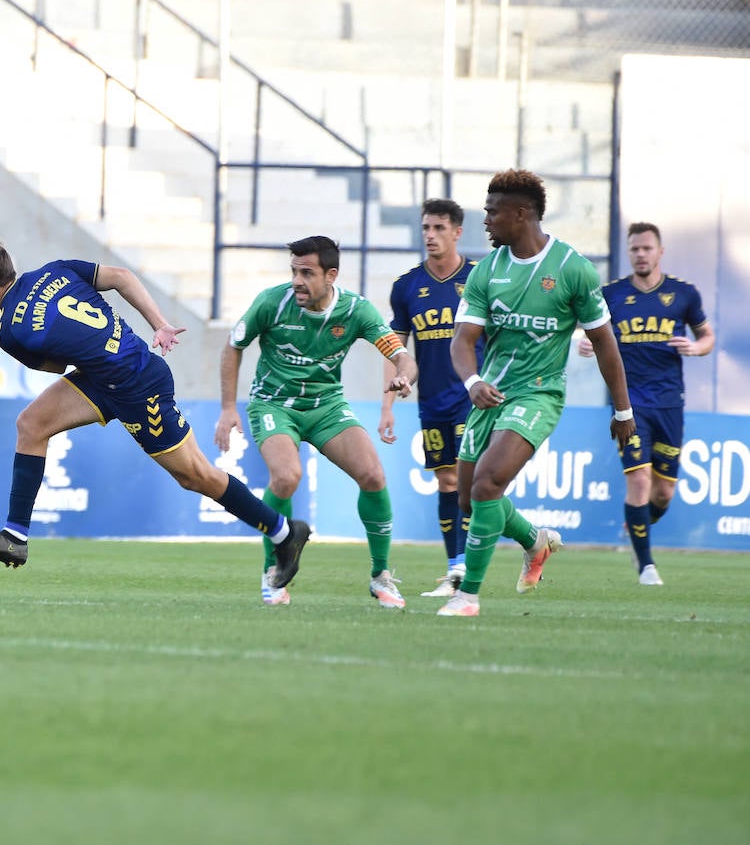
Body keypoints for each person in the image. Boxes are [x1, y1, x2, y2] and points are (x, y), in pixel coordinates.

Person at [0, 236, 312, 584]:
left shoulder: (11, 332)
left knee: (195, 476)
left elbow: (55, 366)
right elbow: (122, 277)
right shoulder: (55, 270)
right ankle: (15, 536)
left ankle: (283, 532)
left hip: (138, 386)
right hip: (107, 374)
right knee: (31, 424)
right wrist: (160, 324)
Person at [437, 169, 635, 617]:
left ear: (520, 214)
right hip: (490, 394)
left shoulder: (573, 269)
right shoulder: (488, 270)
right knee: (469, 499)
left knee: (489, 483)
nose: (485, 220)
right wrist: (472, 383)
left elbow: (605, 342)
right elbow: (462, 341)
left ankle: (467, 596)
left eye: (492, 212)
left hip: (539, 395)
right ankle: (535, 541)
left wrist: (623, 409)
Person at [216, 235, 419, 609]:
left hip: (326, 406)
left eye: (306, 273)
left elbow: (403, 356)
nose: (296, 280)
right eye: (294, 271)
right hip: (274, 405)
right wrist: (229, 407)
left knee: (373, 475)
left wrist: (405, 377)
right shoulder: (271, 302)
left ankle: (381, 576)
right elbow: (233, 345)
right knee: (287, 476)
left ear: (331, 275)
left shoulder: (356, 310)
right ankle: (273, 572)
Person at [577, 221, 715, 586]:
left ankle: (636, 524)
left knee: (663, 493)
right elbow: (591, 331)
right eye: (635, 249)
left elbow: (707, 336)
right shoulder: (611, 295)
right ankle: (646, 567)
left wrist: (696, 348)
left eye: (647, 248)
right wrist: (587, 343)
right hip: (630, 404)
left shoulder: (683, 295)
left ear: (660, 251)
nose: (640, 254)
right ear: (630, 253)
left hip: (670, 403)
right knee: (638, 480)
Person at [379, 198, 482, 597]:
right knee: (446, 483)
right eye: (426, 228)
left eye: (439, 228)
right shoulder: (407, 287)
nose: (431, 235)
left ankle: (465, 574)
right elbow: (396, 349)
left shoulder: (479, 279)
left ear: (457, 232)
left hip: (473, 398)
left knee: (466, 482)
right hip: (431, 400)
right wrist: (389, 402)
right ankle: (456, 570)